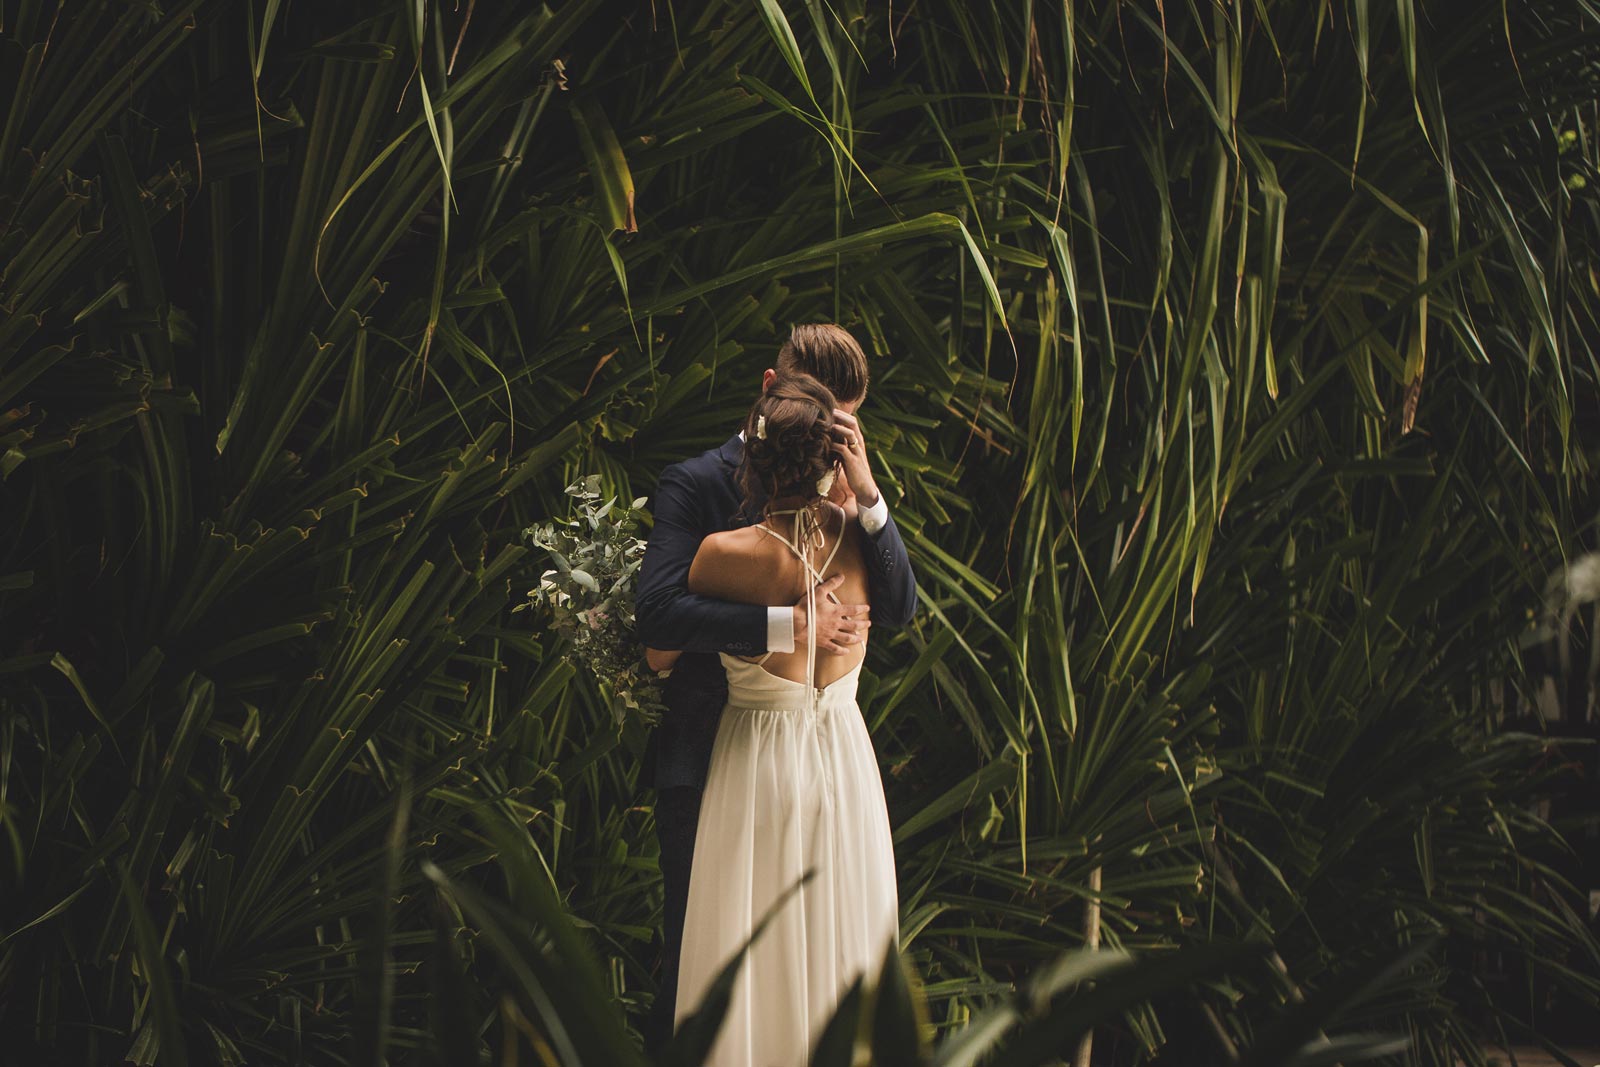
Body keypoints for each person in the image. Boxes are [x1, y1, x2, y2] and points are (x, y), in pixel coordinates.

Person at [634, 324, 918, 1052]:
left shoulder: (852, 519)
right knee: (702, 967)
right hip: (710, 758)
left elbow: (899, 602)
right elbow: (658, 614)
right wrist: (785, 625)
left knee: (812, 954)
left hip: (791, 751)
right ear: (774, 389)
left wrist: (870, 495)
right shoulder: (695, 484)